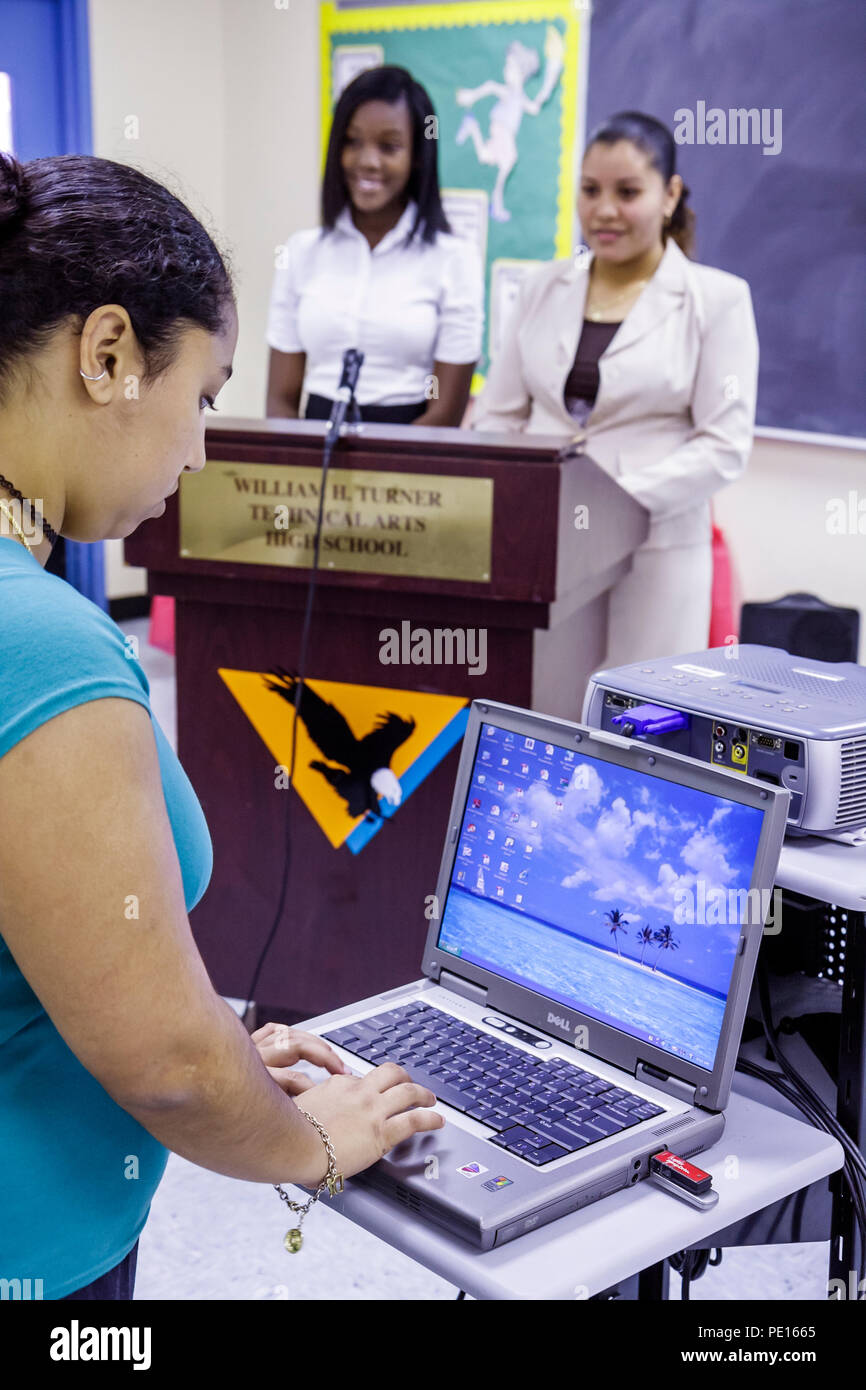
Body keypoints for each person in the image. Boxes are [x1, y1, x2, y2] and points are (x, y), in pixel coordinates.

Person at [0, 151, 442, 1301]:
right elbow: (170, 1068)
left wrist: (223, 1044)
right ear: (106, 355)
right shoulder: (42, 645)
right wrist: (315, 1141)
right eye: (200, 395)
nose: (199, 449)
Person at [471, 111, 759, 667]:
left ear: (670, 194)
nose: (604, 210)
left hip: (659, 550)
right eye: (590, 190)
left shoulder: (718, 300)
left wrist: (610, 503)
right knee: (545, 716)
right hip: (546, 546)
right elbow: (497, 420)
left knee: (639, 729)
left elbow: (724, 446)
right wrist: (531, 502)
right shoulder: (541, 288)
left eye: (628, 192)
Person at [266, 65, 483, 426]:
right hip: (311, 461)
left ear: (417, 157)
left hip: (412, 457)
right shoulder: (301, 253)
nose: (368, 161)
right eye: (352, 142)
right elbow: (280, 403)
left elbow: (445, 413)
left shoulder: (454, 259)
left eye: (389, 146)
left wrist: (382, 475)